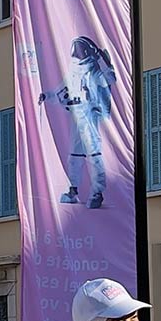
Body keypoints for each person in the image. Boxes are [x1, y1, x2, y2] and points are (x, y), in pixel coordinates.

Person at [38, 36, 117, 208]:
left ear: (88, 52)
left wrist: (104, 62)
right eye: (76, 50)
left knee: (94, 154)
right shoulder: (73, 72)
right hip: (77, 116)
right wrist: (47, 96)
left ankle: (97, 192)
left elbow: (109, 80)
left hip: (89, 116)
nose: (77, 54)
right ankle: (73, 190)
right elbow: (61, 91)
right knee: (74, 155)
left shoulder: (94, 71)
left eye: (80, 50)